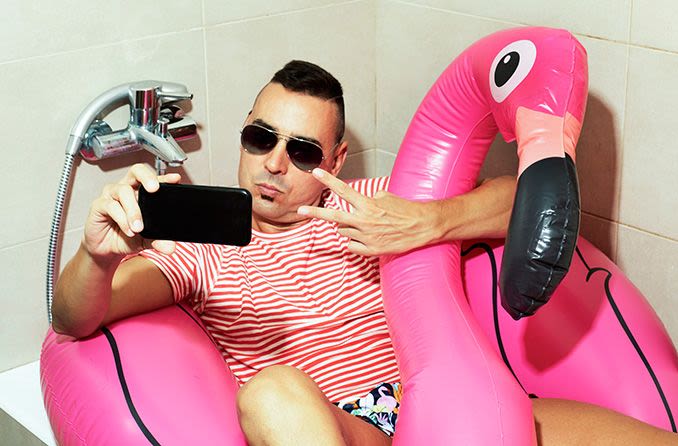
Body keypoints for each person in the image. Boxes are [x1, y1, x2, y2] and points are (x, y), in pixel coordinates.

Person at [52, 60, 677, 445]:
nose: (273, 163)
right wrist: (98, 254)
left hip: (448, 402)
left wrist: (427, 223)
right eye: (260, 136)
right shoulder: (201, 249)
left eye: (301, 151)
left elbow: (522, 198)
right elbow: (74, 318)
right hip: (347, 430)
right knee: (272, 394)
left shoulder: (370, 202)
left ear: (335, 162)